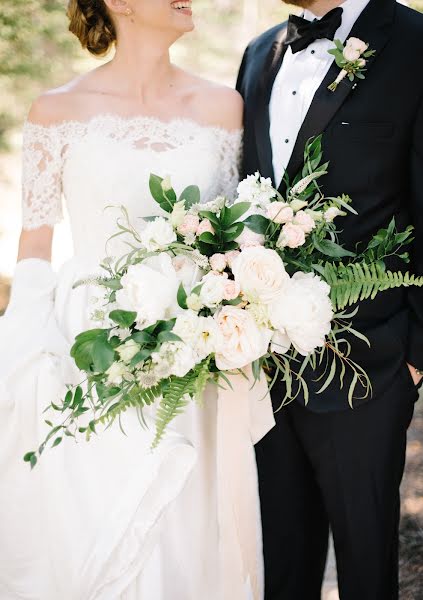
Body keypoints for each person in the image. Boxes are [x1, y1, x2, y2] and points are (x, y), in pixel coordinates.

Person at [0, 1, 275, 598]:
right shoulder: (57, 110)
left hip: (195, 354)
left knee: (187, 528)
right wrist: (22, 363)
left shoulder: (223, 107)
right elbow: (34, 247)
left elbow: (233, 233)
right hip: (87, 353)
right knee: (99, 525)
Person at [237, 0, 423, 598]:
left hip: (369, 364)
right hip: (263, 371)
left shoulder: (416, 42)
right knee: (279, 570)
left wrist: (415, 353)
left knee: (368, 570)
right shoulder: (259, 53)